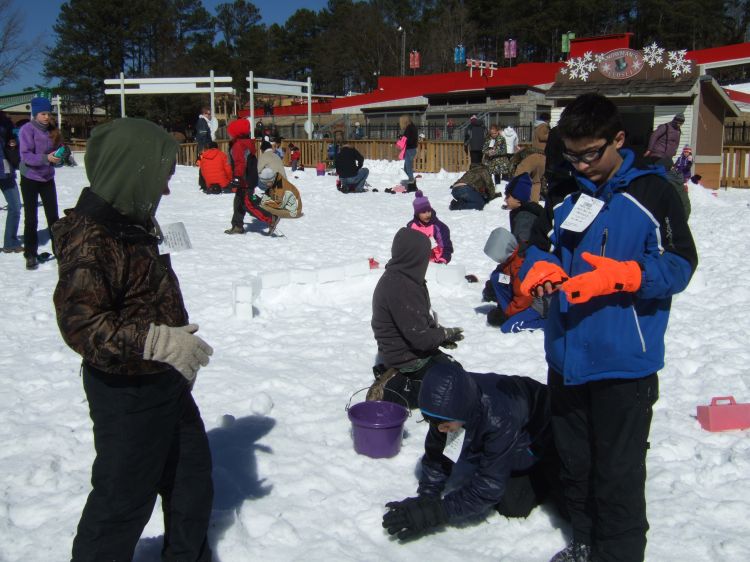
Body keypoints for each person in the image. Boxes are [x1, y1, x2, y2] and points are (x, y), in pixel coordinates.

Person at [518, 93, 697, 562]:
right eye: (571, 156)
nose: (581, 166)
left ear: (618, 139)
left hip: (623, 364)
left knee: (618, 472)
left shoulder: (655, 193)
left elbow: (680, 265)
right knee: (575, 463)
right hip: (566, 357)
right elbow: (540, 245)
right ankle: (584, 541)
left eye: (590, 155)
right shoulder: (565, 192)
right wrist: (539, 267)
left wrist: (628, 276)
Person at [52, 118, 214, 562]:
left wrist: (172, 349)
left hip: (163, 382)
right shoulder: (91, 237)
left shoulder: (130, 220)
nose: (166, 190)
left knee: (191, 480)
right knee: (122, 502)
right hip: (126, 393)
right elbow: (82, 325)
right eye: (161, 177)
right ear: (132, 171)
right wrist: (158, 343)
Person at [382, 361, 562, 540]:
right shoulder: (446, 406)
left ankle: (548, 469)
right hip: (506, 431)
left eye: (444, 424)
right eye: (431, 421)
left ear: (463, 412)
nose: (439, 429)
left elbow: (489, 487)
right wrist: (427, 497)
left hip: (541, 433)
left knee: (513, 505)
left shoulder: (499, 418)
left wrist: (438, 512)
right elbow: (437, 455)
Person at [369, 227, 464, 409]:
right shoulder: (401, 287)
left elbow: (419, 319)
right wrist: (442, 334)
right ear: (414, 256)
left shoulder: (405, 277)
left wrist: (439, 334)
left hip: (412, 351)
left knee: (454, 371)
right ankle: (392, 389)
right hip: (405, 360)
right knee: (450, 383)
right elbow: (420, 338)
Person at [18, 96, 60, 270]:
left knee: (53, 217)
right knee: (31, 218)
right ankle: (30, 254)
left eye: (48, 114)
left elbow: (56, 150)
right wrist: (46, 158)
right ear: (35, 114)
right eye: (43, 114)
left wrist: (60, 157)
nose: (46, 117)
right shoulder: (27, 130)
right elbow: (26, 156)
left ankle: (59, 251)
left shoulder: (53, 130)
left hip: (47, 177)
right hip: (30, 178)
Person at [482, 227, 545, 332]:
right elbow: (501, 275)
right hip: (523, 297)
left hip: (538, 304)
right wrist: (492, 285)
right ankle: (510, 312)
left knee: (509, 327)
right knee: (496, 277)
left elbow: (524, 298)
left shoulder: (521, 266)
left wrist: (508, 314)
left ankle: (548, 323)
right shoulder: (511, 256)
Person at [224, 118, 259, 234]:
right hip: (247, 179)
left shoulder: (238, 145)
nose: (229, 135)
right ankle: (237, 226)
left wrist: (237, 177)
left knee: (247, 204)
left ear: (236, 133)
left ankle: (270, 217)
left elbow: (240, 163)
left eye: (230, 133)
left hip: (244, 180)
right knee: (239, 203)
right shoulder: (245, 143)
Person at [406, 191, 452, 264]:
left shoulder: (439, 227)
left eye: (429, 211)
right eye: (423, 212)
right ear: (417, 214)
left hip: (435, 263)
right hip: (416, 262)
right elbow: (406, 246)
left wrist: (442, 260)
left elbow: (446, 247)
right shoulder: (411, 226)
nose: (427, 215)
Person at [257, 166, 302, 235]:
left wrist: (264, 202)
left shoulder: (280, 186)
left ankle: (274, 218)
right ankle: (274, 215)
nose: (265, 184)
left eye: (266, 182)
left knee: (263, 206)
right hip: (286, 204)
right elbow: (271, 193)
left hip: (294, 211)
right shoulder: (276, 180)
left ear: (271, 180)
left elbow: (279, 203)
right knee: (262, 203)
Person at [514, 121, 548, 202]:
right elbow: (542, 136)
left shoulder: (537, 128)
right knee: (536, 181)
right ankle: (533, 203)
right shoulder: (544, 126)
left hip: (536, 155)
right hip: (540, 155)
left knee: (526, 178)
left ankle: (517, 200)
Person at [1, 135, 23, 252]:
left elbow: (15, 157)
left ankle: (10, 243)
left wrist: (13, 146)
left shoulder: (6, 130)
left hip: (6, 174)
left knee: (15, 207)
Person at [398, 115, 419, 191]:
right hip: (411, 149)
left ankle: (411, 183)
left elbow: (410, 140)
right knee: (406, 168)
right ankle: (412, 181)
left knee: (408, 167)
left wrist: (402, 138)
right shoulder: (412, 127)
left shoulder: (409, 128)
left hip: (410, 149)